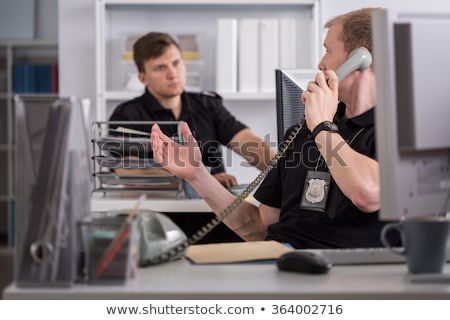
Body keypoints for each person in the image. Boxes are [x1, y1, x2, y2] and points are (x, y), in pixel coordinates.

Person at [150, 7, 396, 249]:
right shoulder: (302, 133)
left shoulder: (398, 131)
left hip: (342, 276)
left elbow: (367, 194)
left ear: (361, 60)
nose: (321, 63)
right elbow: (258, 226)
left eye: (328, 51)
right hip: (281, 265)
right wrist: (198, 175)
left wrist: (322, 125)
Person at [109, 32, 275, 189]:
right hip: (158, 211)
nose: (173, 74)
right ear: (142, 78)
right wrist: (200, 181)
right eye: (160, 68)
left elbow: (249, 143)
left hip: (215, 211)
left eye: (176, 63)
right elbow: (129, 170)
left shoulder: (208, 105)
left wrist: (288, 173)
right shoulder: (126, 115)